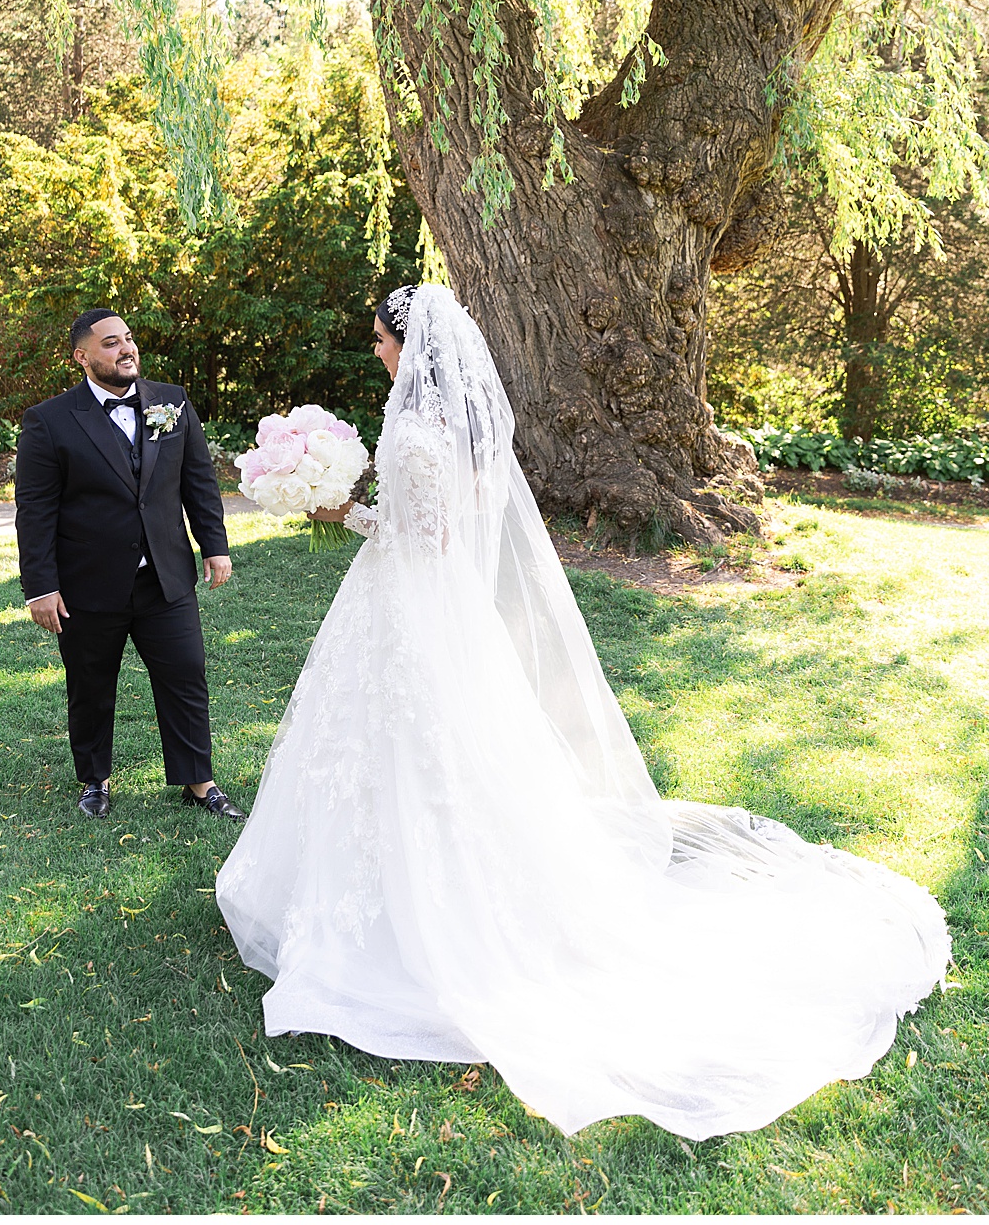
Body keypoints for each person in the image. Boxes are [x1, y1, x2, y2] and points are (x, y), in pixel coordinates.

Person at [215, 283, 949, 1140]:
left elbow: (423, 538)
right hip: (431, 611)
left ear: (405, 343)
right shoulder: (454, 425)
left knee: (407, 746)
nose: (376, 349)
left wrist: (342, 509)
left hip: (406, 607)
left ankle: (402, 915)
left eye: (379, 338)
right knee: (433, 749)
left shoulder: (415, 428)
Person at [15, 308, 245, 822]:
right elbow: (35, 512)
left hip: (165, 576)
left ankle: (198, 781)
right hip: (88, 584)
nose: (126, 349)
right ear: (83, 357)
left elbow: (198, 481)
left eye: (129, 339)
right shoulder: (49, 421)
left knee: (186, 673)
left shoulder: (171, 402)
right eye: (111, 343)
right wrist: (41, 587)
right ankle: (94, 780)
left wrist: (215, 545)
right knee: (91, 682)